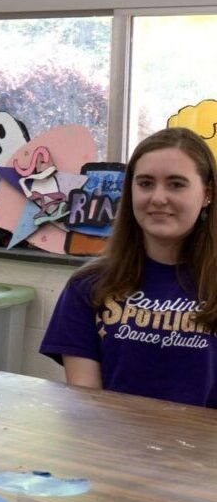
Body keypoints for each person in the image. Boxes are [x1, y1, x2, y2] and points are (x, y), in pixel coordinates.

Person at [40, 126, 217, 407]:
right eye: (146, 183)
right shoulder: (88, 286)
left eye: (176, 184)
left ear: (207, 193)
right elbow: (87, 405)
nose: (158, 198)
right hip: (112, 447)